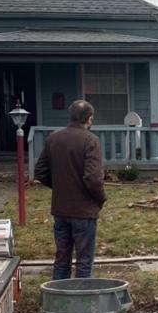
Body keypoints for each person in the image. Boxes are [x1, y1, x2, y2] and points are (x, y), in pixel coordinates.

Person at [34, 100, 106, 279]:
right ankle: (82, 302)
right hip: (84, 211)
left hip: (61, 209)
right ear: (89, 119)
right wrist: (100, 199)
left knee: (61, 259)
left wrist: (59, 186)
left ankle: (58, 301)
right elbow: (93, 179)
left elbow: (40, 171)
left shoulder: (54, 138)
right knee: (84, 262)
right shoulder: (91, 140)